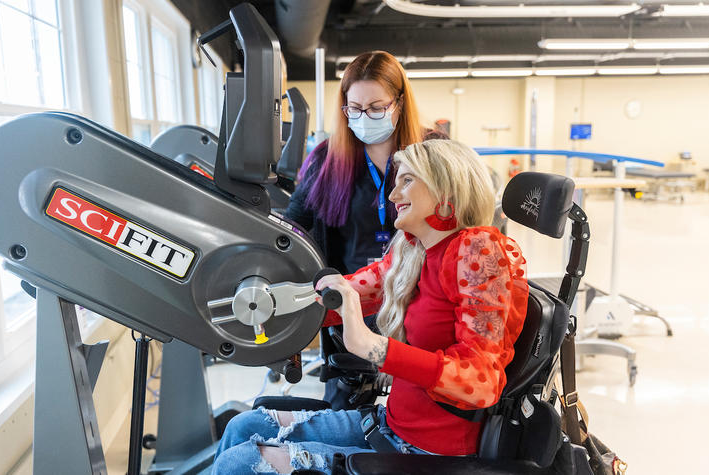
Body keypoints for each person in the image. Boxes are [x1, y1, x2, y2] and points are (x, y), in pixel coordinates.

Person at [213, 139, 529, 474]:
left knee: (241, 462)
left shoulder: (478, 251)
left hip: (430, 454)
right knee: (242, 427)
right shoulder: (413, 251)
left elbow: (481, 382)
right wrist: (263, 309)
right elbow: (339, 295)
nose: (393, 196)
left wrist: (371, 346)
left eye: (407, 180)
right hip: (390, 425)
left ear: (446, 185)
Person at [285, 50, 425, 410]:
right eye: (355, 109)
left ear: (399, 103)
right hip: (352, 306)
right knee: (343, 416)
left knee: (415, 408)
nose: (365, 118)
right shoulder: (328, 160)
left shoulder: (433, 154)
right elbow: (291, 226)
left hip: (418, 302)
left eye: (376, 108)